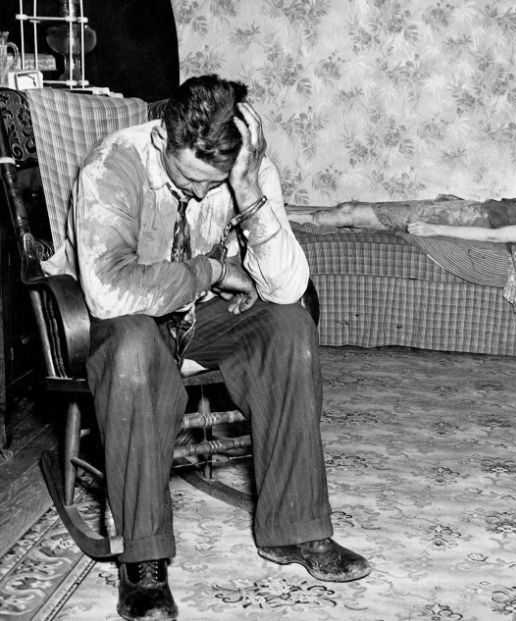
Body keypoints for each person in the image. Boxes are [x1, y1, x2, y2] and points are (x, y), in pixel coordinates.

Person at [42, 74, 370, 621]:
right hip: (126, 324)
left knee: (289, 325)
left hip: (202, 318)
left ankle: (294, 528)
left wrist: (247, 191)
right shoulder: (114, 163)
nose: (199, 193)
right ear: (161, 139)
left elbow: (289, 287)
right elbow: (110, 292)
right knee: (133, 344)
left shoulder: (248, 168)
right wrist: (213, 270)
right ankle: (143, 560)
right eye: (188, 178)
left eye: (212, 182)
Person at [289, 183, 516, 256]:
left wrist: (433, 228)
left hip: (454, 218)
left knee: (351, 213)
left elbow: (495, 237)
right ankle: (287, 212)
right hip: (463, 209)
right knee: (352, 211)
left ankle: (284, 215)